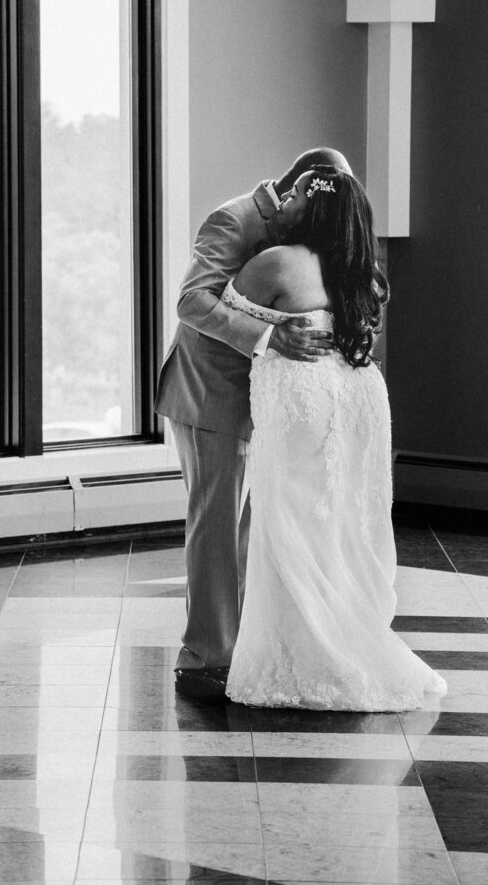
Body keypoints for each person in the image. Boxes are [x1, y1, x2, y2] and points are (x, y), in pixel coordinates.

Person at [224, 165, 447, 709]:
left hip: (303, 401)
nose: (284, 200)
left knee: (287, 522)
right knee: (341, 521)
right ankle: (347, 633)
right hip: (359, 394)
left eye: (297, 194)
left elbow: (217, 309)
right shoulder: (361, 271)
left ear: (315, 207)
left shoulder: (276, 262)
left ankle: (307, 658)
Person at [155, 147, 350, 703]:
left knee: (248, 528)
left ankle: (242, 645)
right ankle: (204, 657)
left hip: (260, 398)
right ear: (295, 190)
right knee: (215, 527)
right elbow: (191, 302)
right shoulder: (232, 219)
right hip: (209, 394)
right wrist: (269, 337)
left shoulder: (302, 238)